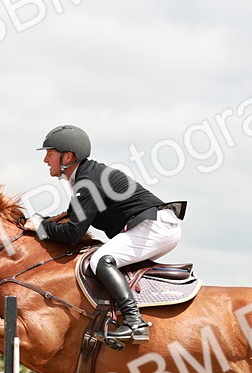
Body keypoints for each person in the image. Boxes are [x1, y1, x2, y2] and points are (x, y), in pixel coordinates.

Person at [24, 125, 185, 342]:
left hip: (155, 227)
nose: (45, 160)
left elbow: (72, 232)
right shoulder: (86, 177)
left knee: (101, 259)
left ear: (68, 156)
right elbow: (71, 220)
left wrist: (41, 228)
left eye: (50, 154)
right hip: (155, 225)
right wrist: (41, 222)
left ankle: (134, 322)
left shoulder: (87, 182)